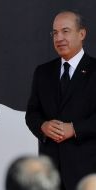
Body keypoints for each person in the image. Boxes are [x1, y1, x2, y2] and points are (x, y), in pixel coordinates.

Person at [25, 10, 96, 190]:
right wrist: (42, 126)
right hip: (49, 173)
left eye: (65, 31)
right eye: (55, 33)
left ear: (82, 34)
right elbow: (32, 113)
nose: (59, 38)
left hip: (88, 172)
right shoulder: (43, 72)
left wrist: (75, 129)